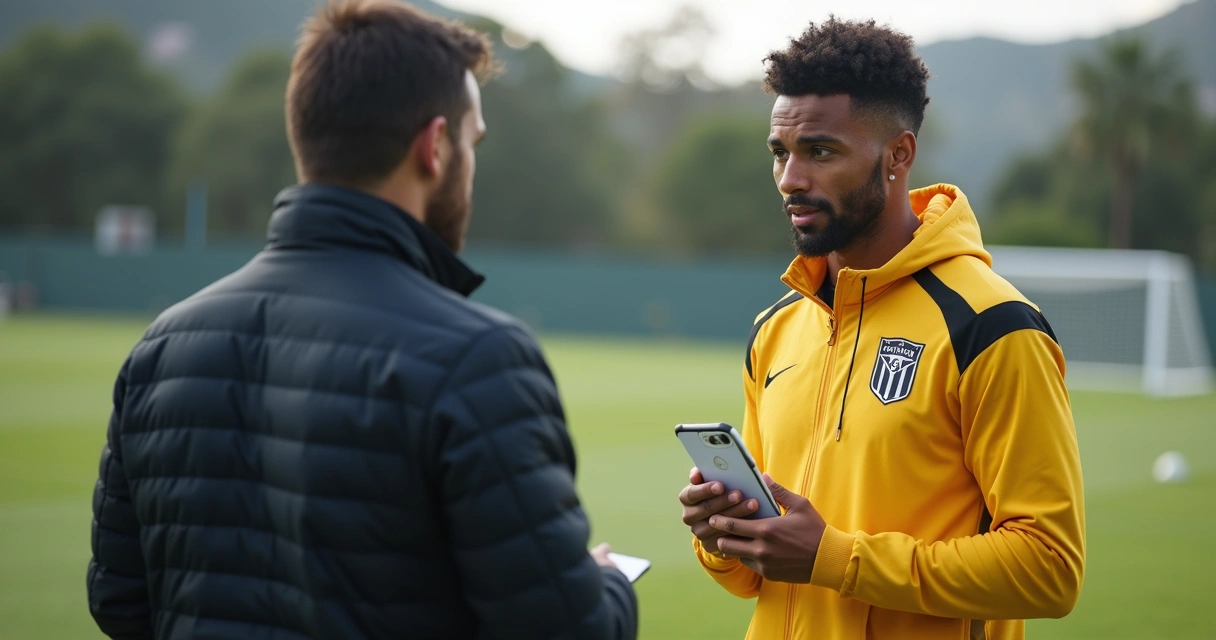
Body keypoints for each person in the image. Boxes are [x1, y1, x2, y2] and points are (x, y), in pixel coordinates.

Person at [86, 2, 638, 639]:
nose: (471, 160)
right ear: (434, 146)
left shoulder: (161, 347)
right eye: (472, 140)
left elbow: (121, 602)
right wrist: (610, 586)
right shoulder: (477, 358)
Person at [678, 18, 1084, 640]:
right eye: (781, 153)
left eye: (820, 151)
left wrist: (835, 558)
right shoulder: (776, 330)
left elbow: (1050, 569)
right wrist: (725, 539)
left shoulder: (992, 326)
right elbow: (754, 578)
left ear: (899, 154)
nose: (790, 179)